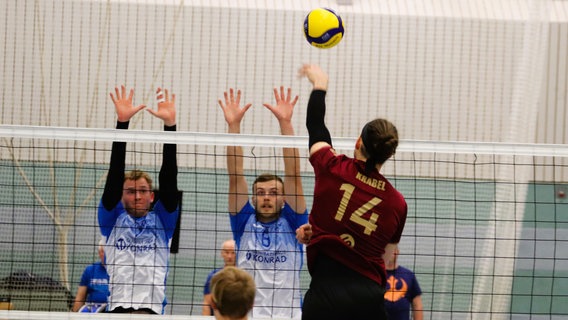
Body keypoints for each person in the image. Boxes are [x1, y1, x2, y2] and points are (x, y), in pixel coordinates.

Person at [298, 64, 408, 320]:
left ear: (359, 142)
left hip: (325, 293)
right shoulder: (397, 203)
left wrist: (320, 84)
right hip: (368, 299)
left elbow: (315, 125)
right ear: (389, 155)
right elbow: (387, 256)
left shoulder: (332, 167)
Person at [218, 86, 308, 318]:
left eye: (273, 192)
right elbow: (235, 175)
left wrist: (286, 123)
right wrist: (233, 126)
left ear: (283, 199)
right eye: (260, 192)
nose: (266, 197)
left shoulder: (294, 221)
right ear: (253, 197)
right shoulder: (243, 220)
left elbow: (293, 175)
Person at [98, 85, 180, 314]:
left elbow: (169, 177)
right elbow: (114, 175)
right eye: (131, 191)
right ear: (121, 196)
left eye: (143, 191)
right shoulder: (112, 220)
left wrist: (170, 127)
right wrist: (122, 124)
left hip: (151, 311)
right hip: (117, 310)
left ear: (152, 196)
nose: (137, 196)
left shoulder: (163, 222)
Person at [384, 246, 423, 320]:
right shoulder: (377, 275)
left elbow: (417, 304)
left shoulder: (408, 275)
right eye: (388, 250)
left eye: (393, 250)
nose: (391, 252)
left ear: (398, 251)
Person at [72, 238, 109, 312]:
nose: (104, 255)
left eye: (106, 252)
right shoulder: (90, 270)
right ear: (99, 252)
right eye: (102, 252)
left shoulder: (120, 271)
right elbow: (80, 298)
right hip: (92, 311)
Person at [203, 239, 237, 315]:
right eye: (227, 252)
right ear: (222, 253)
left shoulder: (244, 276)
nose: (229, 256)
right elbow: (207, 303)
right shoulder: (214, 276)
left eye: (233, 252)